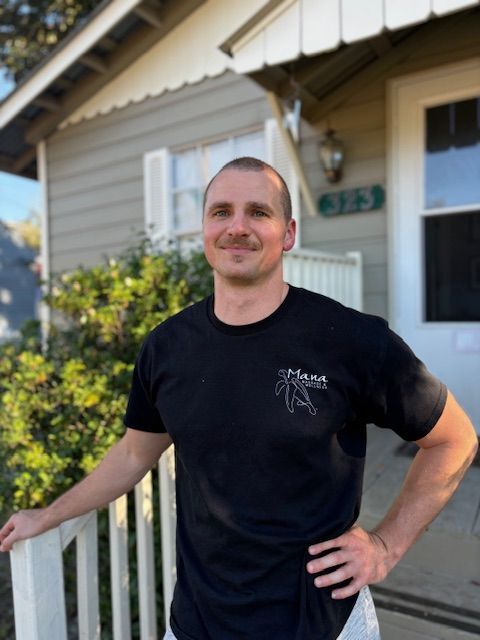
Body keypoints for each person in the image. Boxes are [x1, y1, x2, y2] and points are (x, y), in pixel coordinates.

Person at [0, 157, 477, 640]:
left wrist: (385, 545)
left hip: (321, 624)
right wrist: (49, 514)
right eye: (222, 211)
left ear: (288, 233)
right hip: (196, 624)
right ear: (204, 229)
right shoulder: (166, 348)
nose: (238, 227)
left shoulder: (352, 340)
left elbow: (454, 440)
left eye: (259, 212)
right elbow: (132, 454)